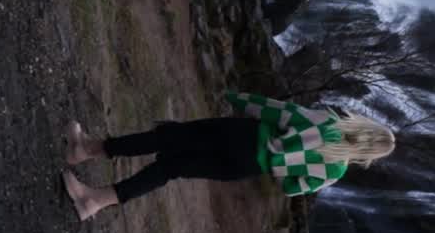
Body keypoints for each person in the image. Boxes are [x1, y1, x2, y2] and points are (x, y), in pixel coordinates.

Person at [61, 91, 396, 221]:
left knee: (166, 137)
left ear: (366, 125)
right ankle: (95, 201)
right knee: (169, 169)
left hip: (245, 136)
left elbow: (281, 112)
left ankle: (88, 149)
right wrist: (277, 165)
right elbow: (293, 188)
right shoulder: (336, 169)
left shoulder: (329, 123)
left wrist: (240, 100)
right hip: (247, 166)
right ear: (368, 154)